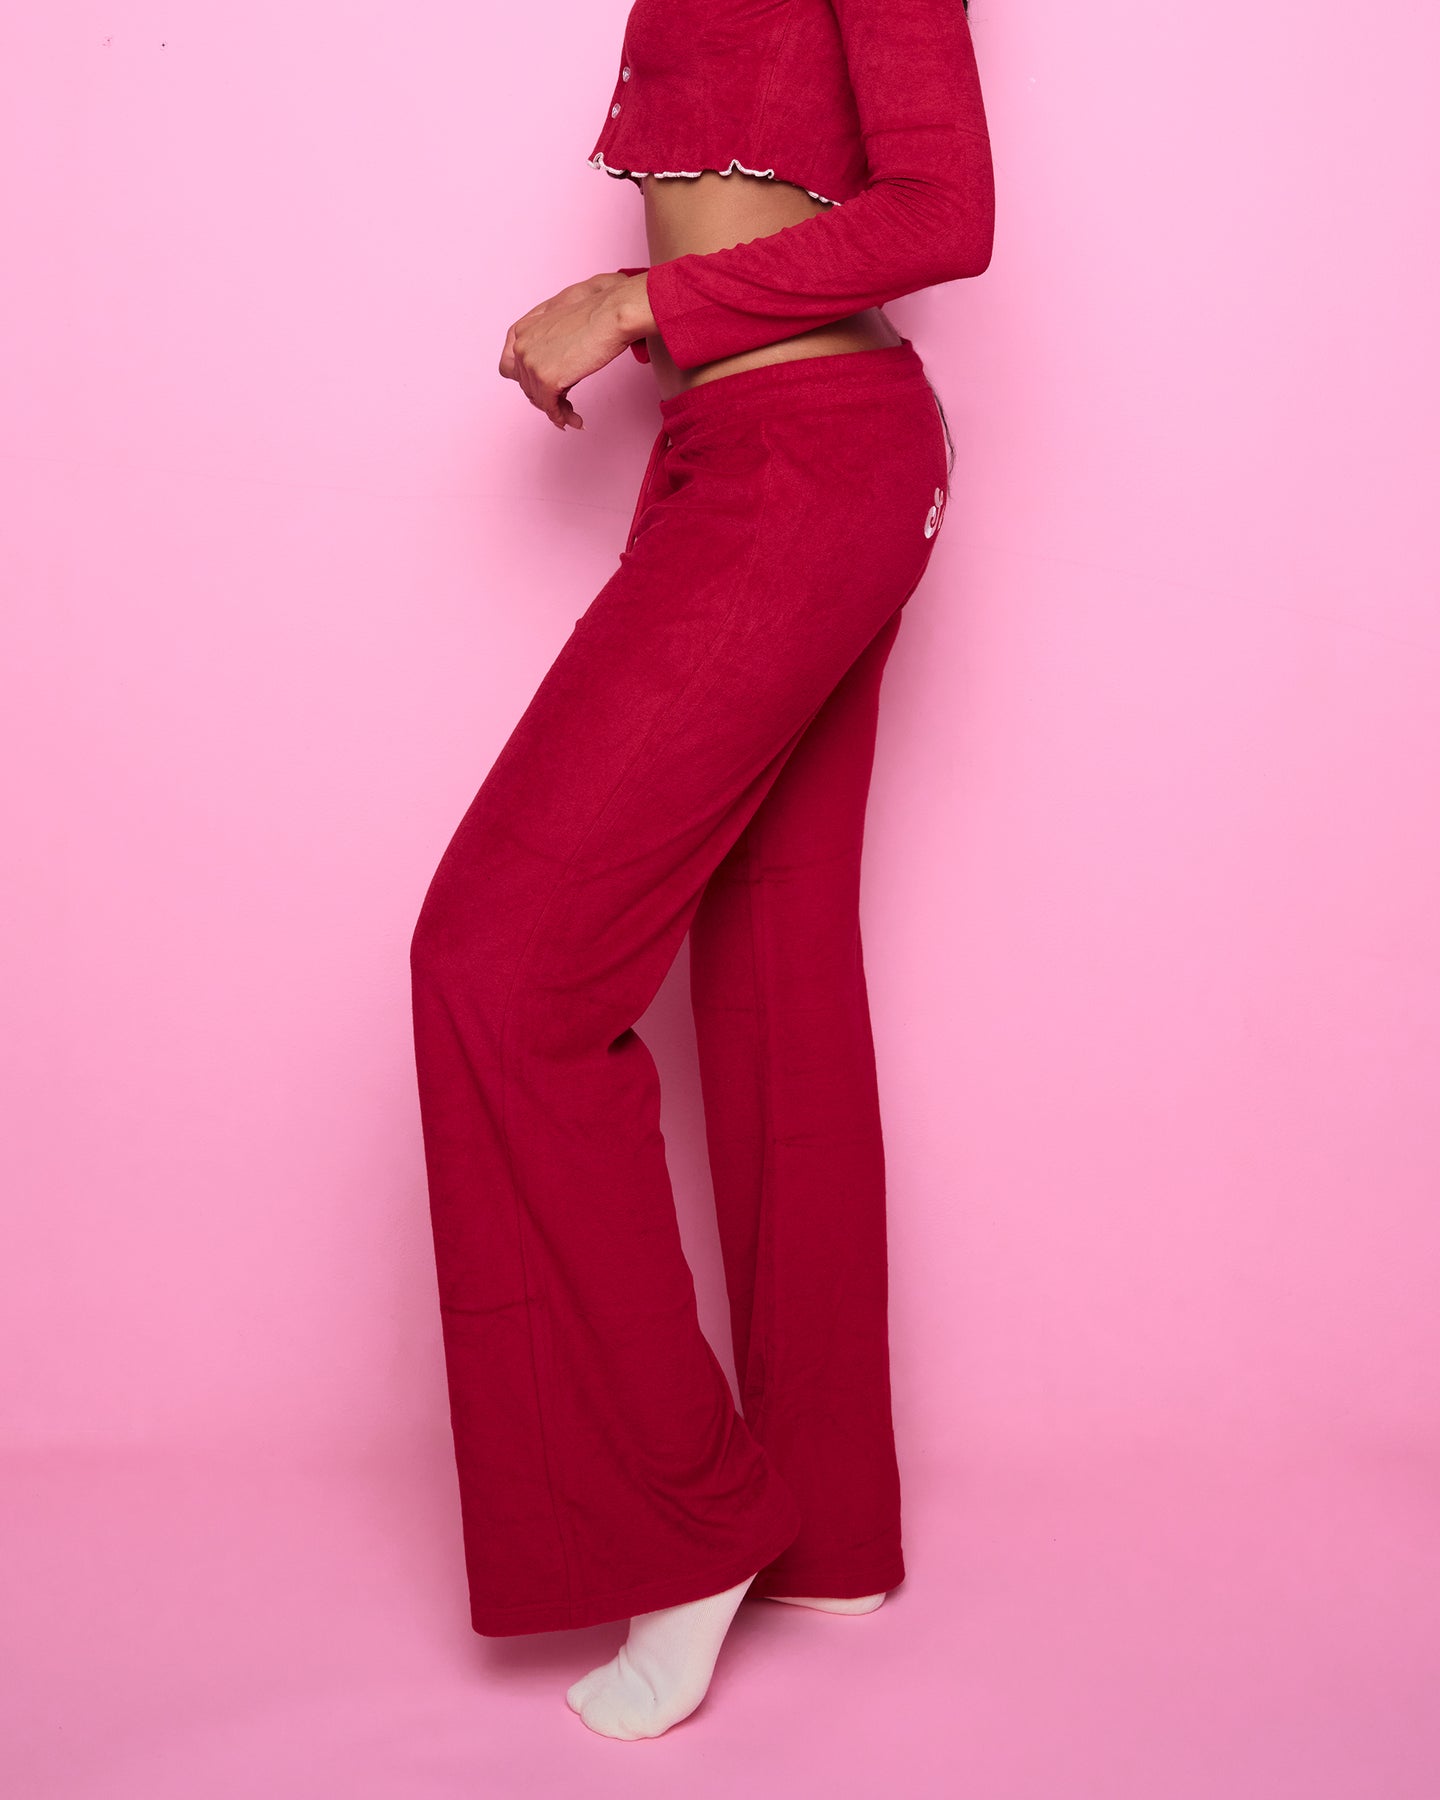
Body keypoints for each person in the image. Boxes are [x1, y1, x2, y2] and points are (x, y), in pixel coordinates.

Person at [408, 0, 995, 1742]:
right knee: (774, 989)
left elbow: (947, 210)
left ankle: (681, 1522)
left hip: (806, 462)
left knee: (501, 970)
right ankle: (829, 1526)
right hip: (750, 451)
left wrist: (632, 303)